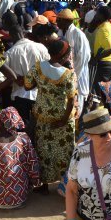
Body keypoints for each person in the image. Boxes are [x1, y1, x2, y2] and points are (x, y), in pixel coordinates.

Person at [29, 39, 77, 193]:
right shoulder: (68, 74)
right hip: (63, 118)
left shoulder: (37, 67)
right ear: (63, 56)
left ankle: (44, 186)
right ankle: (67, 185)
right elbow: (71, 100)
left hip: (43, 117)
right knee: (65, 151)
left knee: (44, 150)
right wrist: (63, 121)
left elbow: (27, 85)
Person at [0, 106, 41, 209]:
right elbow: (33, 164)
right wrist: (34, 181)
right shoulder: (23, 138)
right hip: (19, 197)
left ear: (1, 123)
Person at [58, 8, 91, 116]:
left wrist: (74, 75)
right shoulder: (60, 32)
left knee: (77, 104)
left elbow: (83, 57)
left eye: (59, 20)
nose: (57, 22)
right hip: (65, 74)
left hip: (77, 73)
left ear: (66, 21)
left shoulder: (78, 34)